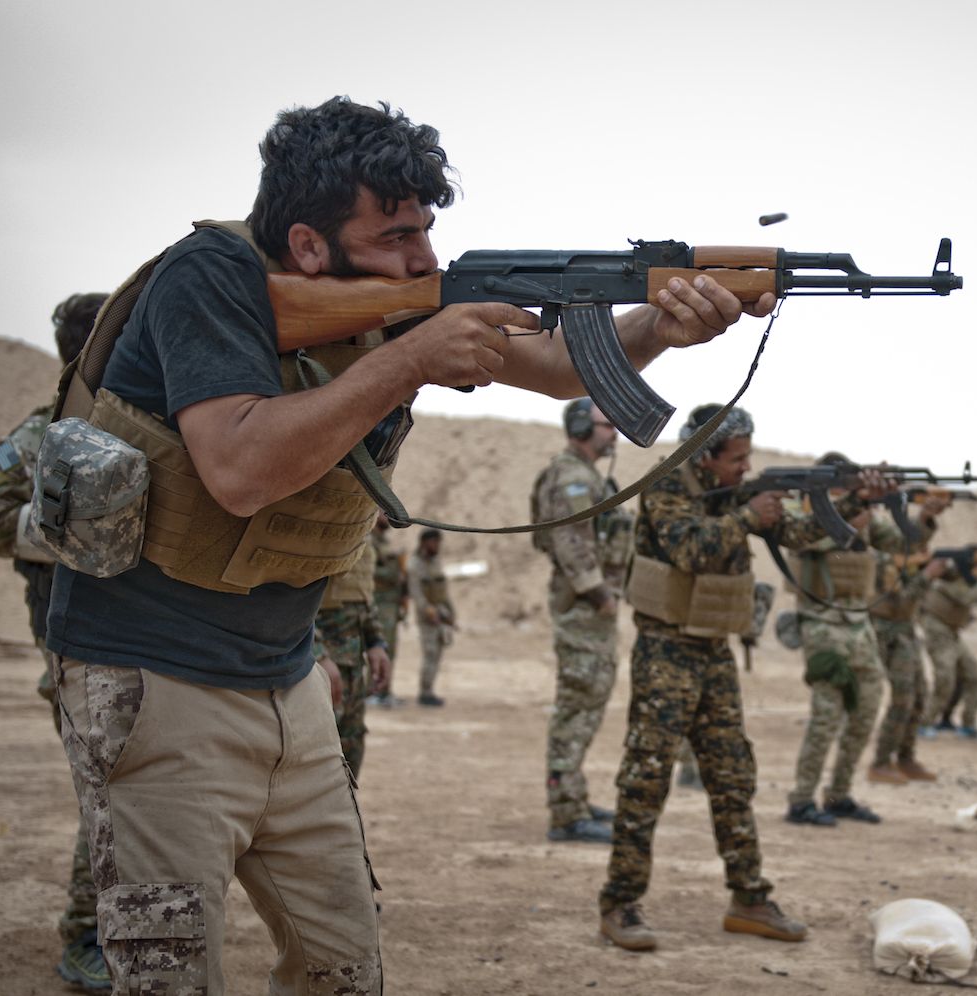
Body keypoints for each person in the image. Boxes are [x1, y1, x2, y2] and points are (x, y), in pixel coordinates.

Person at [42, 96, 772, 994]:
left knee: (344, 968)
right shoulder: (209, 277)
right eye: (395, 236)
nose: (425, 259)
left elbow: (557, 367)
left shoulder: (391, 300)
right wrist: (415, 357)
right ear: (308, 245)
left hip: (284, 678)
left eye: (426, 230)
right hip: (152, 680)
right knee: (173, 978)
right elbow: (238, 468)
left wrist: (661, 325)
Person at [598, 406, 880, 952]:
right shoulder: (666, 485)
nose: (747, 468)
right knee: (646, 778)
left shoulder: (732, 493)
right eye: (738, 458)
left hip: (714, 650)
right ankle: (619, 902)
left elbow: (801, 533)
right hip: (665, 652)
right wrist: (749, 517)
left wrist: (856, 501)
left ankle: (749, 897)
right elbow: (689, 547)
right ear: (706, 455)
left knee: (732, 776)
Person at [0, 291, 109, 992]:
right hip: (74, 649)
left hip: (150, 645)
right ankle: (86, 935)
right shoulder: (46, 434)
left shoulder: (139, 425)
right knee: (108, 799)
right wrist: (81, 531)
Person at [782, 454, 922, 828]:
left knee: (866, 711)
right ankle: (801, 800)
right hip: (821, 626)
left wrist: (911, 510)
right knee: (826, 717)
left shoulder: (862, 514)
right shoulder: (800, 511)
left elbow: (904, 542)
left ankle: (839, 794)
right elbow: (809, 540)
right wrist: (850, 514)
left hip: (859, 625)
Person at [531, 398, 633, 844]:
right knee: (577, 705)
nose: (614, 433)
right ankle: (566, 812)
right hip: (584, 610)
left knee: (589, 701)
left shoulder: (588, 475)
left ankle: (573, 797)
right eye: (605, 424)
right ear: (580, 427)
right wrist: (600, 594)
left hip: (592, 611)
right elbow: (571, 542)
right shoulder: (572, 477)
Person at [866, 498, 950, 784]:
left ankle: (905, 757)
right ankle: (881, 762)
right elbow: (900, 599)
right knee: (903, 697)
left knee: (919, 696)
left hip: (905, 629)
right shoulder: (881, 561)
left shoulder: (904, 557)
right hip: (888, 631)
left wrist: (925, 517)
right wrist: (927, 576)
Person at [313, 536, 392, 776]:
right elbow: (289, 594)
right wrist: (317, 654)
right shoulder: (320, 524)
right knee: (317, 748)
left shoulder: (362, 531)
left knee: (351, 743)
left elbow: (363, 594)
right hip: (320, 664)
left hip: (352, 664)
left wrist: (375, 642)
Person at [919, 547, 977, 739]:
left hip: (952, 633)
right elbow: (966, 598)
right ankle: (924, 722)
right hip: (937, 630)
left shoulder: (971, 578)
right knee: (945, 678)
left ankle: (968, 724)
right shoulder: (949, 576)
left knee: (973, 675)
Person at [407, 528, 455, 707]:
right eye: (434, 542)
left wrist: (451, 613)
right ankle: (425, 692)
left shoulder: (436, 562)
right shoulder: (415, 565)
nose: (437, 546)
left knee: (437, 654)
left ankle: (429, 690)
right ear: (424, 543)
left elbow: (443, 591)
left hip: (441, 613)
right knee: (430, 652)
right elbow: (417, 594)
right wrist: (429, 612)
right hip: (427, 617)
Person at [366, 513, 409, 708]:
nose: (388, 516)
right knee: (379, 649)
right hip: (379, 604)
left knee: (389, 650)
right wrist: (394, 574)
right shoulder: (369, 540)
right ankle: (373, 692)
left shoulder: (383, 541)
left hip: (391, 605)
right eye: (384, 512)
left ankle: (384, 691)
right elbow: (368, 570)